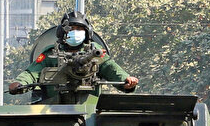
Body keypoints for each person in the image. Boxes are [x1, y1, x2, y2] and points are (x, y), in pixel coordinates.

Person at [8, 11, 138, 104]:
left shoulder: (95, 52)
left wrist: (127, 81)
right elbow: (32, 73)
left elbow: (111, 68)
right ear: (62, 32)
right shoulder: (50, 54)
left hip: (88, 110)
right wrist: (20, 84)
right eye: (71, 28)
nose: (75, 32)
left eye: (79, 29)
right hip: (54, 111)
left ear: (87, 33)